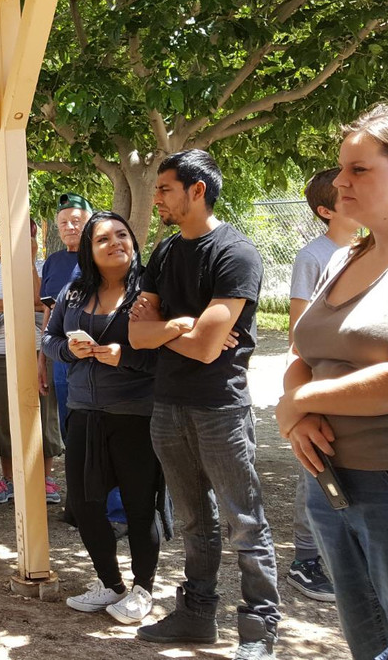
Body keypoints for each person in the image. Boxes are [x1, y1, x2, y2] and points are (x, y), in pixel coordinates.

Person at [129, 149, 280, 659]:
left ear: (197, 190)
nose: (157, 197)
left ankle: (259, 633)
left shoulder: (236, 254)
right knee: (194, 521)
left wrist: (166, 330)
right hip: (168, 404)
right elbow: (136, 334)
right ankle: (196, 615)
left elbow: (206, 348)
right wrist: (184, 326)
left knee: (245, 522)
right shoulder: (166, 252)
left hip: (220, 408)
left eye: (165, 188)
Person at [274, 105, 388, 660]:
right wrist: (297, 415)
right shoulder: (345, 257)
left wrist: (299, 401)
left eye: (359, 169)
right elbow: (305, 349)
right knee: (367, 641)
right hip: (330, 483)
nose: (340, 181)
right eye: (343, 167)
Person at [42, 211, 162, 625]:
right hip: (84, 412)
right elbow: (49, 338)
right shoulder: (74, 293)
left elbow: (166, 352)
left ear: (134, 242)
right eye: (103, 239)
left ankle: (143, 589)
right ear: (89, 251)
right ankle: (110, 584)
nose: (115, 243)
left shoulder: (150, 292)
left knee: (139, 504)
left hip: (135, 414)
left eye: (122, 235)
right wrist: (67, 350)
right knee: (84, 503)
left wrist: (124, 357)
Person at [284, 168, 359, 601]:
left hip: (355, 386)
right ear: (325, 211)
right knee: (316, 469)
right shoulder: (313, 257)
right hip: (321, 383)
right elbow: (298, 332)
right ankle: (305, 560)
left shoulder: (369, 251)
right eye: (344, 193)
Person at [0, 221, 45, 504]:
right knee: (5, 417)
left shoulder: (42, 267)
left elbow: (43, 300)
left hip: (38, 351)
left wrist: (29, 264)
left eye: (26, 238)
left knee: (44, 414)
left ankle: (43, 479)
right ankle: (9, 479)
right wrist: (26, 303)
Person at [38, 192, 92, 505]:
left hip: (96, 357)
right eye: (63, 223)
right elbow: (49, 313)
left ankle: (107, 503)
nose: (70, 227)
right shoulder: (54, 263)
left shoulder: (100, 256)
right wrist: (41, 361)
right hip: (61, 357)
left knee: (96, 426)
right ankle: (78, 501)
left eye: (76, 221)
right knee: (70, 427)